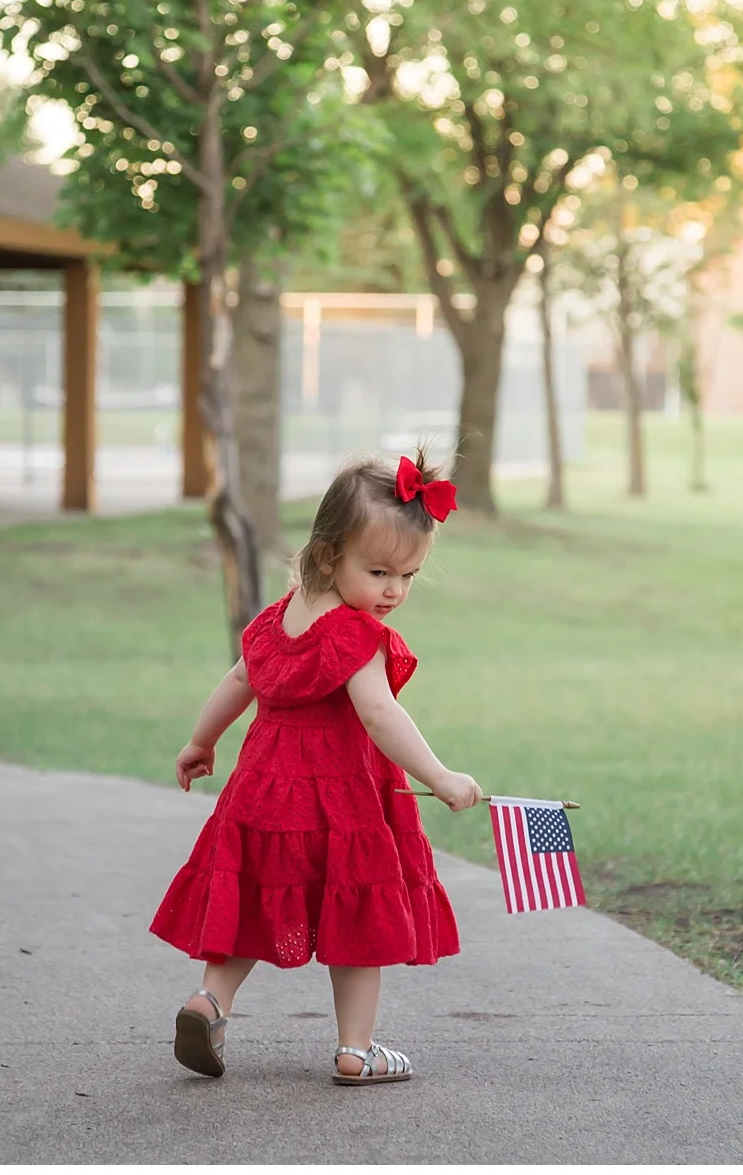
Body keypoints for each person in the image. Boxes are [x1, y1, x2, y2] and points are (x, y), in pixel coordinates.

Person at [149, 450, 480, 1085]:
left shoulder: (280, 616)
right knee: (357, 916)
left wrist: (201, 740)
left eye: (408, 576)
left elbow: (240, 677)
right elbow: (380, 716)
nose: (393, 591)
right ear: (329, 555)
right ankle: (356, 1050)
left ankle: (210, 1001)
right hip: (340, 804)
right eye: (379, 571)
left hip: (261, 795)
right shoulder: (355, 636)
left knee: (251, 896)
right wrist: (440, 776)